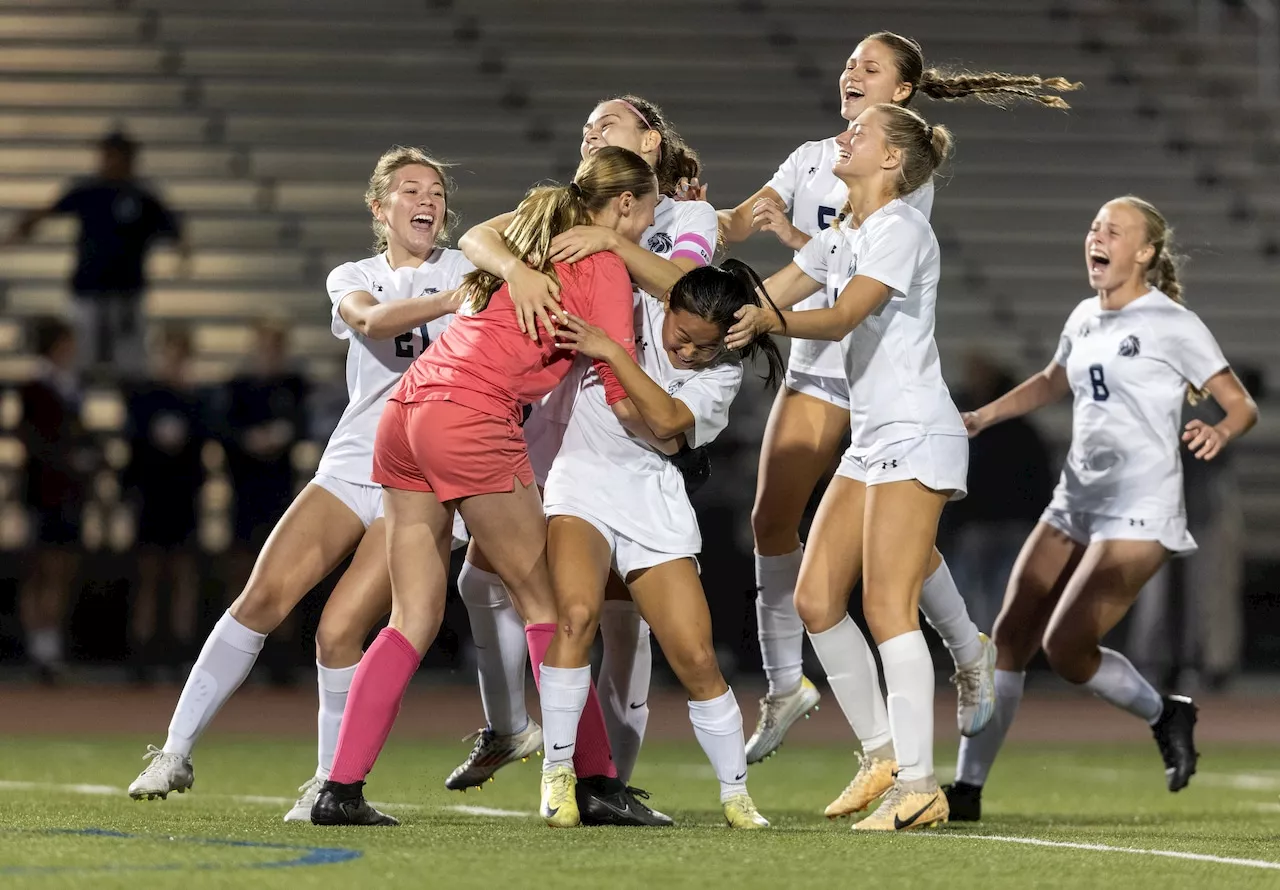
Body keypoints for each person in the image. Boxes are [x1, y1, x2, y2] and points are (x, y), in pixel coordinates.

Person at [716, 31, 1080, 762]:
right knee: (786, 539)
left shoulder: (901, 183)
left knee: (887, 588)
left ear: (903, 98)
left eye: (870, 67)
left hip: (883, 390)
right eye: (848, 60)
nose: (851, 72)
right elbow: (756, 239)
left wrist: (773, 299)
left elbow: (845, 292)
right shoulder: (820, 164)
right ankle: (815, 703)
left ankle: (932, 725)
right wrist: (687, 237)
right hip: (833, 370)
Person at [310, 145, 658, 827]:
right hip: (470, 417)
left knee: (413, 616)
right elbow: (617, 390)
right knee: (550, 608)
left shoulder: (530, 224)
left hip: (406, 412)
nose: (644, 230)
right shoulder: (606, 265)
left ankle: (338, 789)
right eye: (644, 215)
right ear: (622, 206)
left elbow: (476, 239)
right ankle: (596, 783)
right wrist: (672, 435)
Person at [127, 146, 473, 822]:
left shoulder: (467, 265)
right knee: (263, 596)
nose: (425, 198)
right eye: (409, 189)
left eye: (434, 189)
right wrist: (458, 299)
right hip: (353, 463)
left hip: (425, 481)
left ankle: (329, 784)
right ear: (381, 208)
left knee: (340, 631)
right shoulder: (359, 274)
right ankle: (174, 749)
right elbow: (371, 321)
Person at [946, 196, 1258, 821]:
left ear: (1144, 252)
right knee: (1008, 636)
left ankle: (1165, 711)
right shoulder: (1086, 314)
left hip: (1142, 506)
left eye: (1114, 230)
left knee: (1066, 650)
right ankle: (968, 790)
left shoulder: (1173, 322)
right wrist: (984, 414)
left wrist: (1220, 430)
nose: (1098, 236)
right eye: (1093, 227)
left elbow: (1240, 403)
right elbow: (1054, 378)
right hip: (1077, 498)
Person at [447, 95, 712, 826]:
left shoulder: (683, 217)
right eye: (586, 126)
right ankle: (524, 736)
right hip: (562, 412)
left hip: (629, 418)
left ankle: (606, 780)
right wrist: (520, 268)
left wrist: (611, 243)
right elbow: (477, 236)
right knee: (490, 578)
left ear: (650, 142)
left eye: (609, 123)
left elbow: (688, 293)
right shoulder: (568, 211)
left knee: (621, 618)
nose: (589, 130)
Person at [728, 103, 962, 830]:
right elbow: (772, 292)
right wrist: (703, 313)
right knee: (816, 598)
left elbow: (837, 317)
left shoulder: (899, 228)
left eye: (862, 134)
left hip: (917, 433)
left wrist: (769, 322)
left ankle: (921, 785)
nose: (845, 135)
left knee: (889, 606)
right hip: (871, 439)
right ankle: (883, 754)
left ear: (892, 161)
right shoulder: (844, 232)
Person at [537, 260, 784, 829]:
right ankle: (557, 776)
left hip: (654, 502)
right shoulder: (635, 305)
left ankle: (736, 794)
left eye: (705, 346)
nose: (689, 353)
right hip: (583, 482)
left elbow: (669, 420)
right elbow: (618, 245)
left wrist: (613, 351)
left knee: (696, 657)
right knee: (576, 617)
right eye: (682, 337)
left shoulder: (723, 373)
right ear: (666, 306)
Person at [3, 131, 190, 381]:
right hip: (88, 289)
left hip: (127, 293)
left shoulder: (143, 196)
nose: (109, 161)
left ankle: (132, 413)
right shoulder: (88, 190)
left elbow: (174, 229)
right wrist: (19, 232)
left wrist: (182, 252)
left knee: (130, 363)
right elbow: (48, 210)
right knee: (81, 358)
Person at [123, 324, 208, 682]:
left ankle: (180, 652)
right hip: (151, 496)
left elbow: (205, 445)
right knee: (148, 574)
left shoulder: (196, 400)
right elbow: (132, 446)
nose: (173, 360)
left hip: (183, 496)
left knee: (183, 576)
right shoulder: (143, 397)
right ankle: (141, 654)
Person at [17, 317, 93, 683]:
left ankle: (51, 645)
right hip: (43, 490)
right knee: (40, 569)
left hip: (68, 491)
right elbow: (33, 440)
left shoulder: (70, 385)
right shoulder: (35, 385)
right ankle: (39, 646)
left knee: (62, 569)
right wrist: (66, 460)